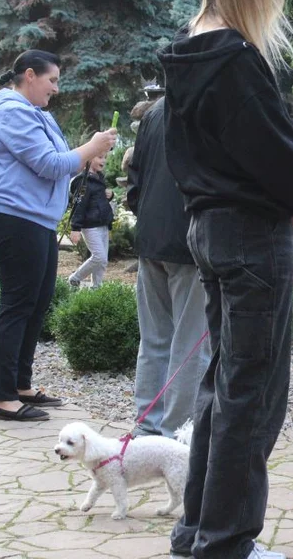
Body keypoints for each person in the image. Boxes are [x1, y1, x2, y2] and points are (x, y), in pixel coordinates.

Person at [162, 0, 293, 559]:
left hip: (209, 228)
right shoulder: (235, 58)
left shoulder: (188, 51)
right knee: (251, 393)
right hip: (251, 236)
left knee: (223, 386)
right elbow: (271, 152)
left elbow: (188, 154)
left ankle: (197, 533)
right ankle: (226, 543)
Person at [0, 50, 117, 422]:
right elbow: (50, 164)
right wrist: (91, 148)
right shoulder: (11, 112)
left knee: (37, 303)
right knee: (18, 304)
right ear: (29, 75)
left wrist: (89, 152)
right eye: (52, 80)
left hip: (35, 219)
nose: (56, 88)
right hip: (15, 217)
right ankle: (2, 397)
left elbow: (60, 162)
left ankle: (20, 385)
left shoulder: (34, 114)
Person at [126, 95, 210, 439]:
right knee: (190, 343)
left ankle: (146, 425)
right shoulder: (209, 105)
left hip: (150, 239)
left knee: (155, 338)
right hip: (191, 241)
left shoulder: (155, 112)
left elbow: (135, 180)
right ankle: (178, 432)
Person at [68, 154, 114, 288]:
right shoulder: (83, 182)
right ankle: (74, 278)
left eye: (105, 157)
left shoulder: (99, 178)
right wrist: (75, 228)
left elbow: (99, 200)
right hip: (90, 226)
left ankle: (96, 289)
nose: (104, 160)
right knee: (99, 257)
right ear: (89, 159)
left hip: (103, 224)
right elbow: (79, 205)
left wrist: (111, 195)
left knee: (103, 261)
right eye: (100, 157)